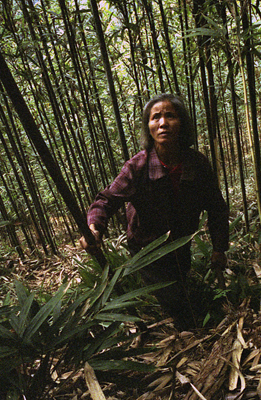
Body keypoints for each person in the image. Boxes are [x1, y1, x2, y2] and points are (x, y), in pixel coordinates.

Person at [80, 93, 229, 329]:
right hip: (147, 245)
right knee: (175, 302)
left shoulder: (197, 163)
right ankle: (190, 335)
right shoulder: (137, 166)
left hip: (181, 241)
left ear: (182, 123)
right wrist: (94, 227)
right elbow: (106, 200)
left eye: (170, 116)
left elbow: (217, 208)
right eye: (155, 117)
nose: (162, 123)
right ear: (148, 127)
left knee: (181, 281)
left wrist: (219, 248)